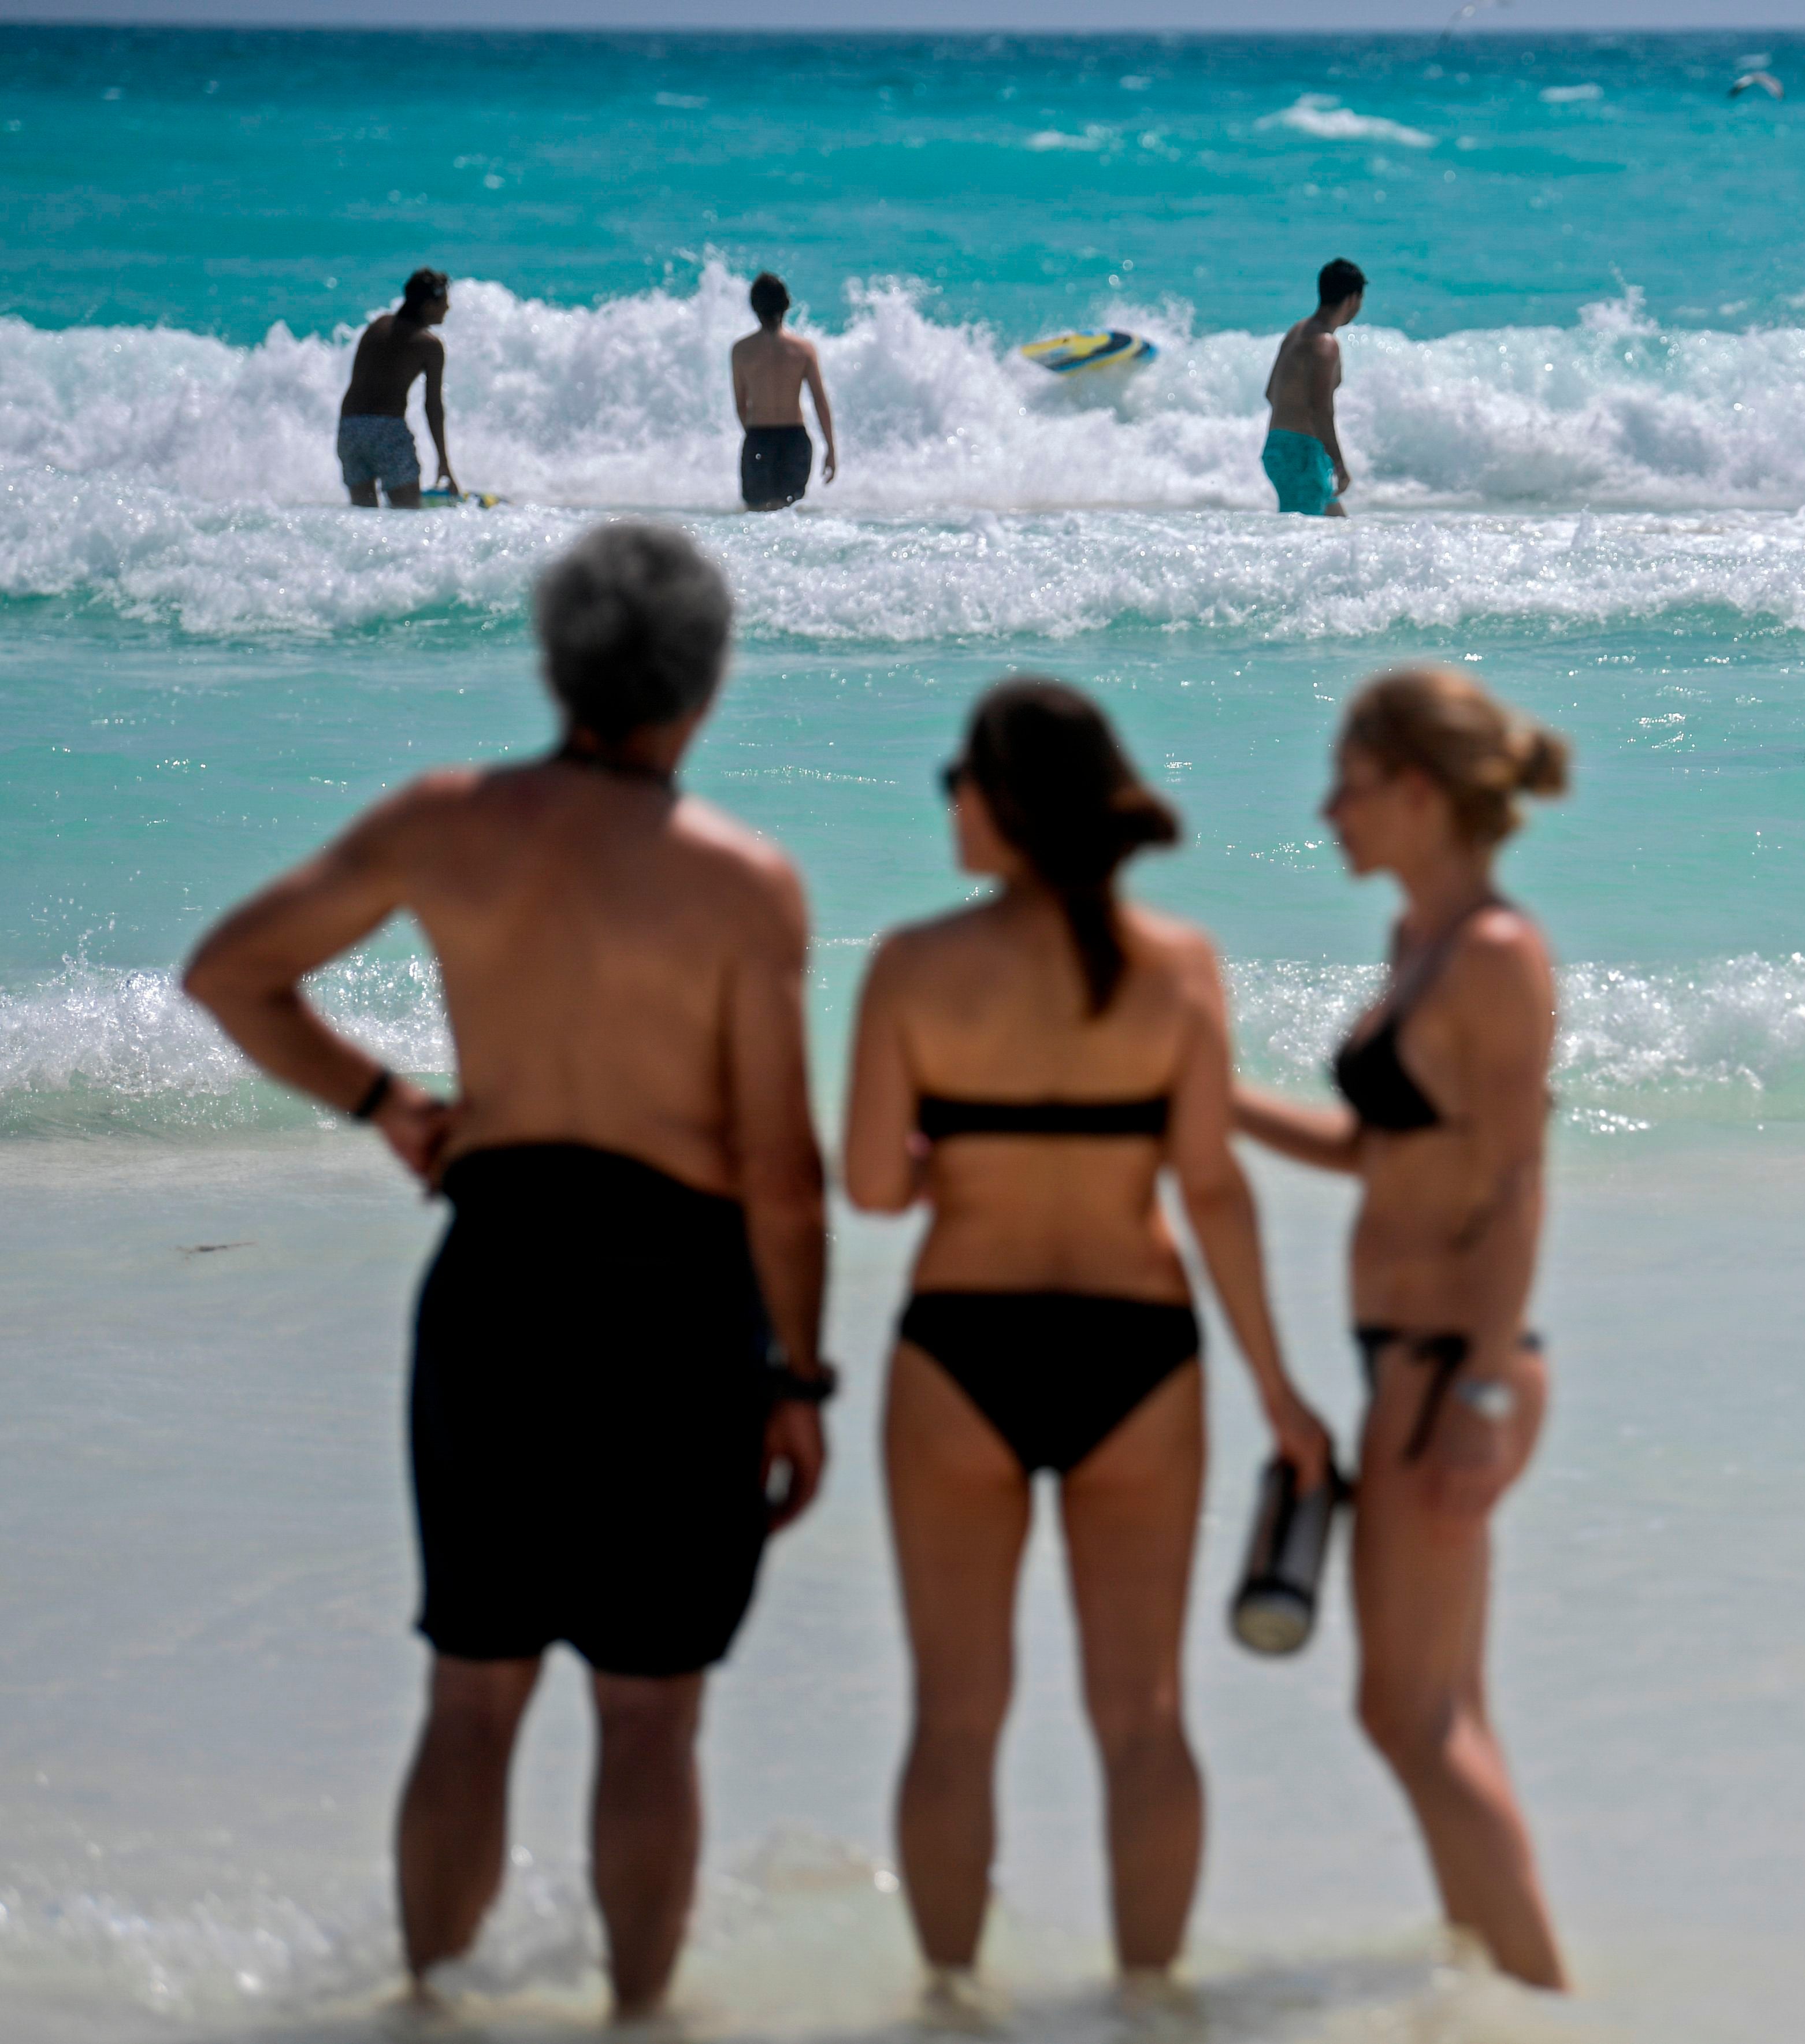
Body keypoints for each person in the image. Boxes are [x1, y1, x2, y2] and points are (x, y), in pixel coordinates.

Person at [180, 523, 833, 2020]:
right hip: (676, 1302)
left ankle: (430, 2008)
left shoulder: (444, 822)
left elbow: (230, 973)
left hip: (500, 1279)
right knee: (650, 1716)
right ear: (705, 690)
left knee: (472, 1692)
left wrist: (387, 1104)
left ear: (554, 667)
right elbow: (782, 1175)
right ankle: (639, 2017)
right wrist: (797, 1374)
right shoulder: (743, 883)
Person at [841, 679, 1332, 2004]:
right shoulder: (1178, 965)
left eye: (960, 779)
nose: (949, 801)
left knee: (954, 1716)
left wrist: (963, 1156)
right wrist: (1282, 1392)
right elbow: (1212, 1187)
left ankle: (948, 2006)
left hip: (960, 1351)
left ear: (1005, 805)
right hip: (1140, 1353)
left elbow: (873, 1189)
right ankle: (1149, 2007)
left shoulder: (911, 964)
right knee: (1143, 1717)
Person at [1232, 670, 1572, 1989]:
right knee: (1445, 1714)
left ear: (1418, 794)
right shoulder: (1417, 945)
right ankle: (1493, 1986)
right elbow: (1376, 1152)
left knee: (1408, 1716)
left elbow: (1518, 1181)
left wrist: (1483, 1391)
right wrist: (1206, 1096)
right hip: (1415, 1368)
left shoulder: (1492, 953)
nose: (1327, 810)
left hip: (1453, 1373)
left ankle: (1543, 1997)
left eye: (1350, 783)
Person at [336, 268, 458, 509]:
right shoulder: (429, 345)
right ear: (427, 305)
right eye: (444, 302)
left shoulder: (378, 325)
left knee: (363, 516)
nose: (448, 308)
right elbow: (433, 406)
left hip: (350, 427)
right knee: (407, 513)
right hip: (386, 431)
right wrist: (444, 463)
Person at [1263, 258, 1364, 518]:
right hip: (1301, 454)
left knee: (1338, 527)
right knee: (1305, 544)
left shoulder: (1297, 331)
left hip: (1278, 446)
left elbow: (1270, 392)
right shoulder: (1326, 344)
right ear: (1353, 299)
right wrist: (1339, 465)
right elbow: (1320, 410)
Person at [731, 272, 836, 512]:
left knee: (756, 515)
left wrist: (755, 439)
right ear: (786, 305)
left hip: (758, 436)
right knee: (787, 515)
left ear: (754, 307)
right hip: (794, 440)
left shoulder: (741, 351)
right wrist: (831, 449)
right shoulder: (803, 350)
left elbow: (740, 405)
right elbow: (820, 402)